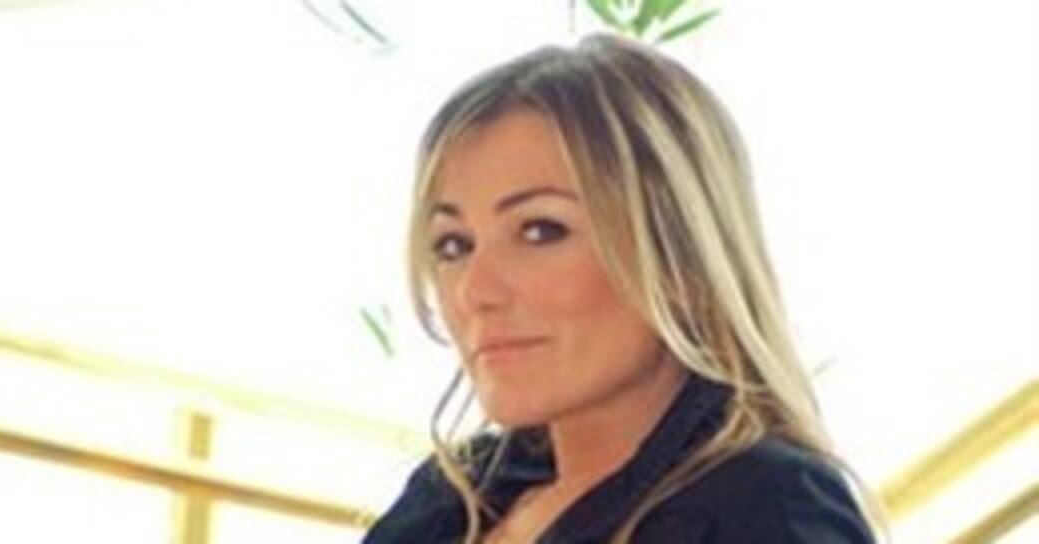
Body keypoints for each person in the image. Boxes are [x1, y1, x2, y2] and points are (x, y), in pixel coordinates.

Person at [364, 34, 879, 543]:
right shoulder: (443, 501)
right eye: (454, 245)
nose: (474, 291)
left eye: (541, 231)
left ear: (679, 258)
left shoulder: (765, 510)